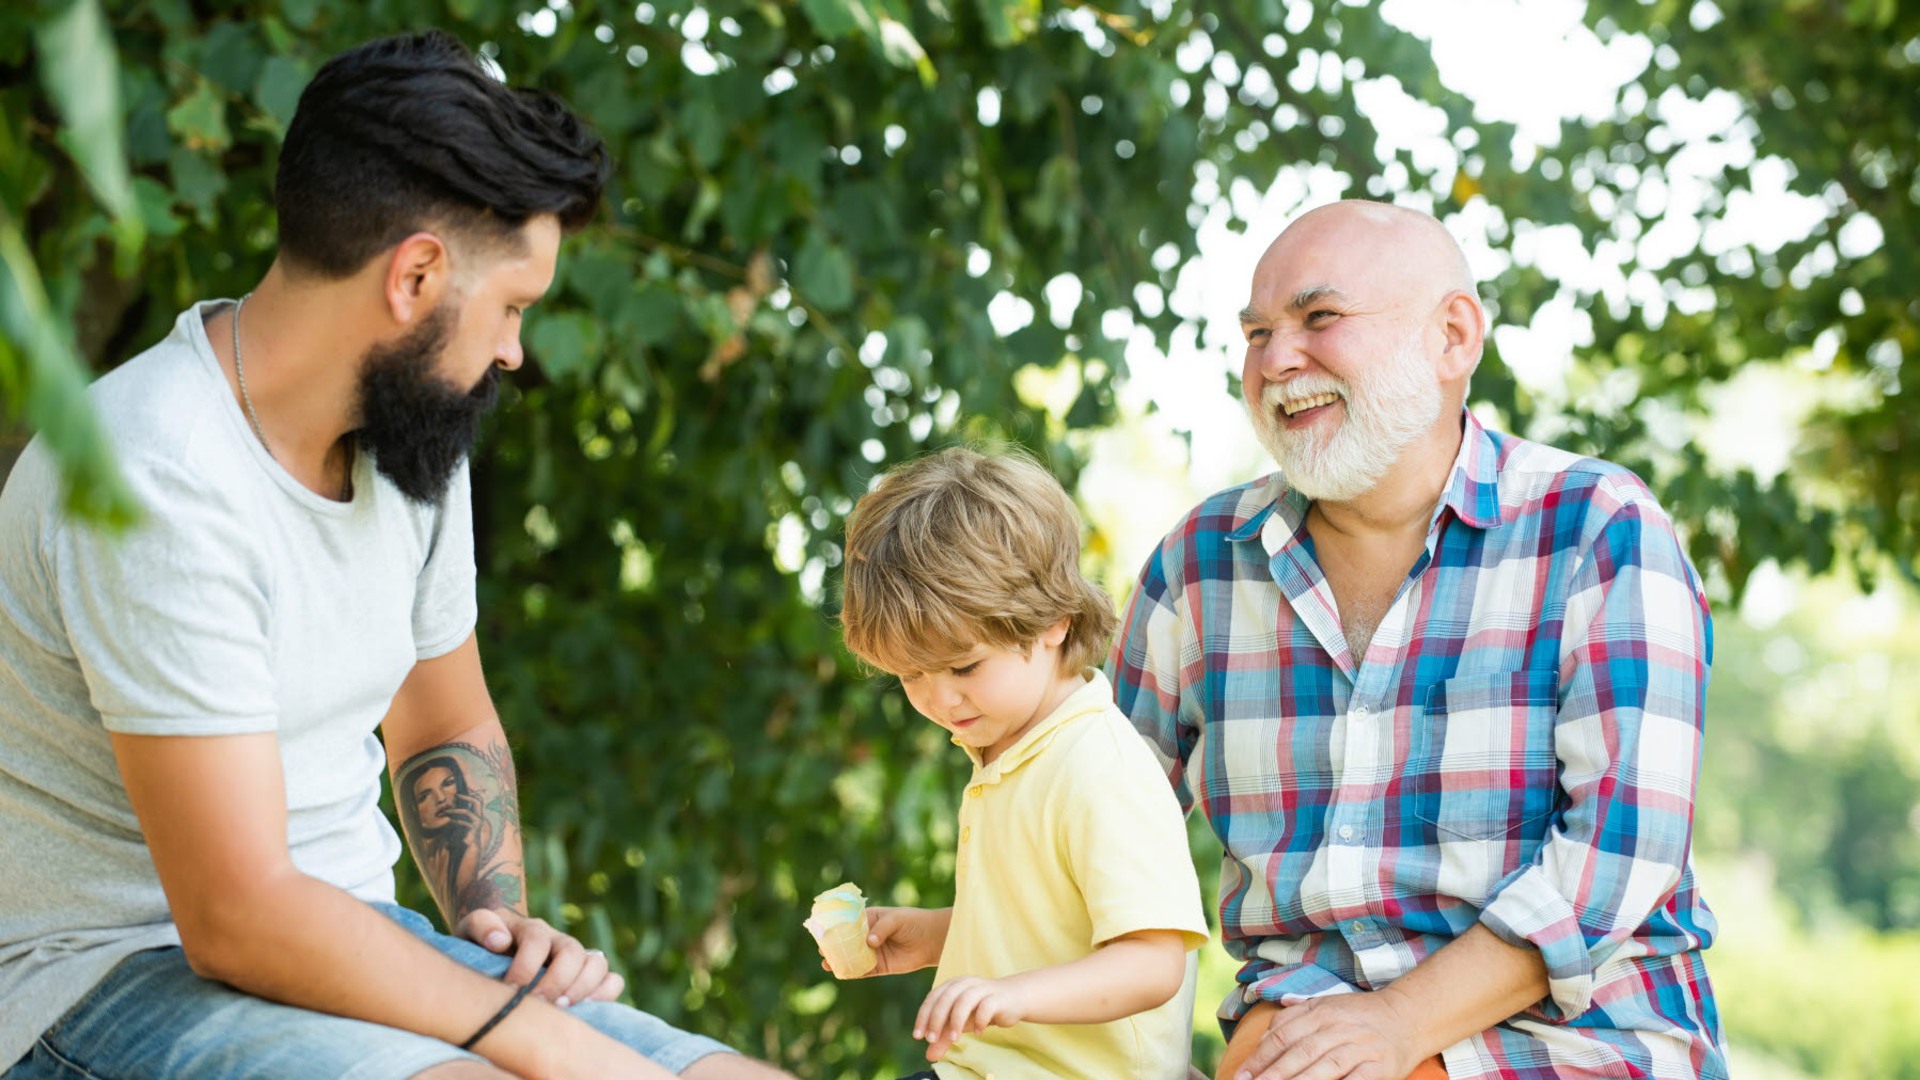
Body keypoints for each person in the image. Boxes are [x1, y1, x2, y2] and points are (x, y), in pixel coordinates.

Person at [0, 31, 793, 1080]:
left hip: (345, 936)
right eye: (511, 308)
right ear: (415, 275)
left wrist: (499, 931)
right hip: (105, 983)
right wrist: (545, 1046)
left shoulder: (412, 434)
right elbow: (236, 918)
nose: (514, 350)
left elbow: (443, 720)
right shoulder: (158, 474)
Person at [1110, 200, 1725, 1080]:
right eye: (1256, 334)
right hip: (1306, 1039)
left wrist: (1398, 1026)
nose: (1278, 359)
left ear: (1452, 337)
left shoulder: (1600, 528)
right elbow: (1106, 827)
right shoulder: (1198, 564)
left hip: (1582, 1040)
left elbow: (1617, 858)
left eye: (1319, 318)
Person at [836, 447, 1211, 1080]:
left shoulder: (1099, 765)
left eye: (963, 667)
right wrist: (935, 937)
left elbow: (1153, 961)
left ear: (1053, 622)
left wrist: (1014, 997)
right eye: (911, 675)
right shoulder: (1009, 748)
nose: (939, 697)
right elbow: (1050, 922)